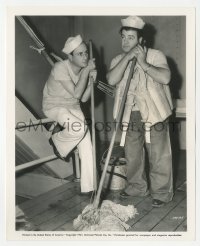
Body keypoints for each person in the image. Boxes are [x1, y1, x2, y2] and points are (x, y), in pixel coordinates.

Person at [106, 16, 174, 207]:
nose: (125, 41)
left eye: (130, 37)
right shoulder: (118, 59)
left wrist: (143, 63)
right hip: (131, 113)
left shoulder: (155, 55)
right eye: (123, 37)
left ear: (141, 40)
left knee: (158, 153)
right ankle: (136, 188)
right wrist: (128, 57)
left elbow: (166, 77)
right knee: (133, 153)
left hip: (155, 111)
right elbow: (111, 80)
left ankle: (161, 193)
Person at [42, 35, 97, 193]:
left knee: (87, 145)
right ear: (70, 56)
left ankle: (89, 188)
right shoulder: (60, 67)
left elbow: (84, 97)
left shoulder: (82, 70)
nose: (85, 56)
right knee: (79, 128)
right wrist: (87, 71)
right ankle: (56, 140)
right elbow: (76, 94)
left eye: (86, 52)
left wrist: (92, 82)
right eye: (80, 54)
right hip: (54, 107)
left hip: (73, 107)